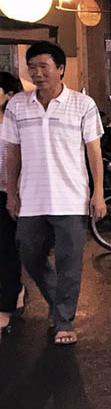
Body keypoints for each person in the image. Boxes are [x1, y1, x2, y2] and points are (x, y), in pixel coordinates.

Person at [0, 42, 105, 345]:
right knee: (30, 255)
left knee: (69, 263)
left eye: (44, 67)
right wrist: (11, 192)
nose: (37, 73)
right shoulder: (18, 105)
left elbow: (94, 152)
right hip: (31, 198)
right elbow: (12, 153)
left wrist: (98, 192)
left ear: (60, 69)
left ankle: (63, 321)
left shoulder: (83, 104)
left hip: (71, 198)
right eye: (32, 67)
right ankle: (58, 301)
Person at [0, 71, 24, 342]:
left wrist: (13, 194)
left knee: (7, 249)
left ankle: (7, 303)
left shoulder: (16, 124)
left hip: (9, 193)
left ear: (8, 95)